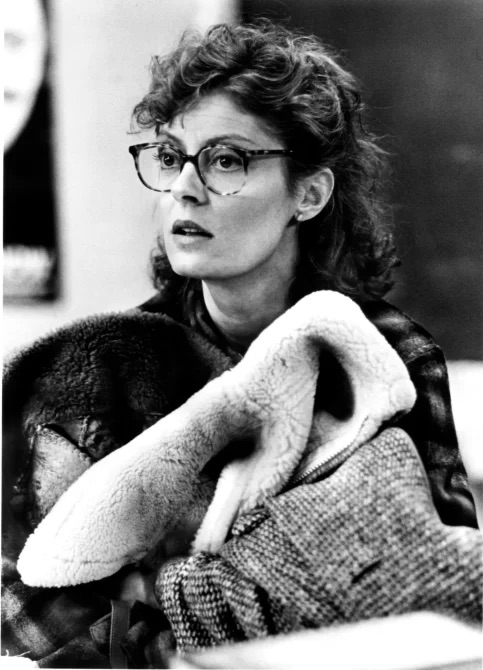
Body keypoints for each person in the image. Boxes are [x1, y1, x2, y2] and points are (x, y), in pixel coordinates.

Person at [2, 19, 480, 669]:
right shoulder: (106, 365)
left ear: (308, 193)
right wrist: (195, 629)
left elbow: (439, 592)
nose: (184, 188)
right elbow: (23, 610)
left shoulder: (386, 356)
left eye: (226, 159)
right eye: (171, 157)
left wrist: (170, 596)